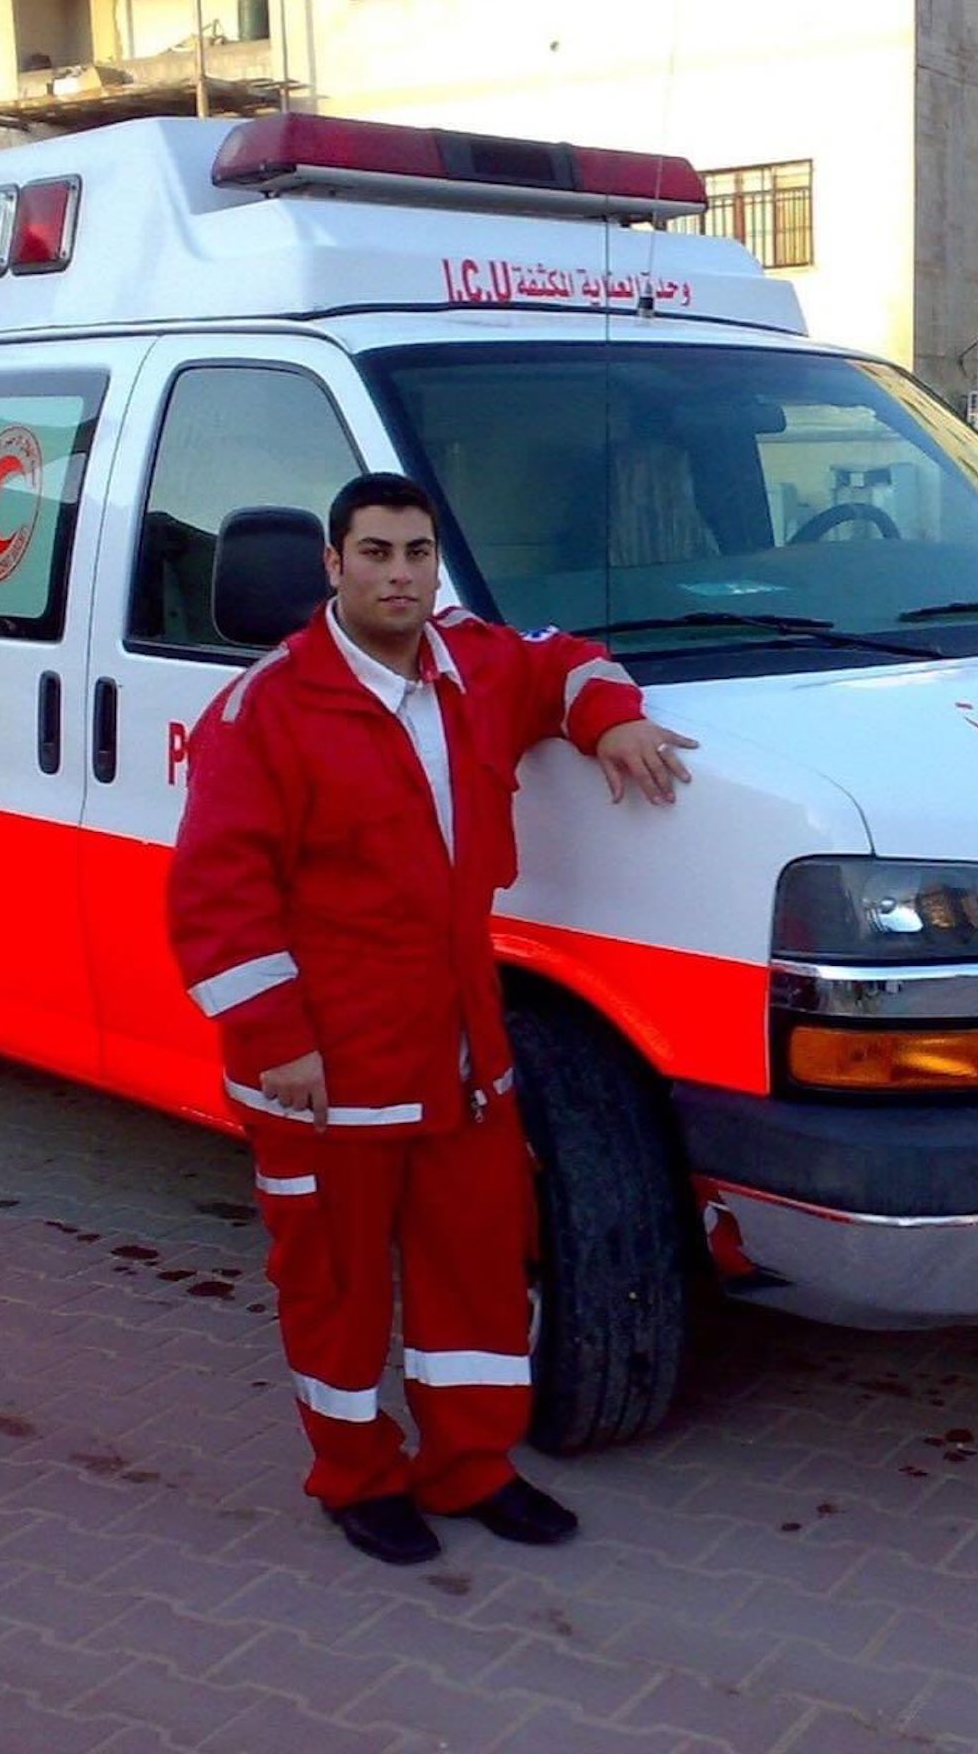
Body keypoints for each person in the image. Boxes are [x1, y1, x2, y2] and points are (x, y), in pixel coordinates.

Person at [168, 472, 696, 1566]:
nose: (399, 576)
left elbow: (565, 662)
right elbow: (216, 899)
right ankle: (357, 1477)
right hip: (329, 1069)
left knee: (477, 1275)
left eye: (417, 554)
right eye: (375, 553)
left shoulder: (473, 666)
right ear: (333, 565)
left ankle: (471, 1467)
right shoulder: (266, 711)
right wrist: (278, 1044)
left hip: (461, 1060)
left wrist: (614, 720)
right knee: (339, 1288)